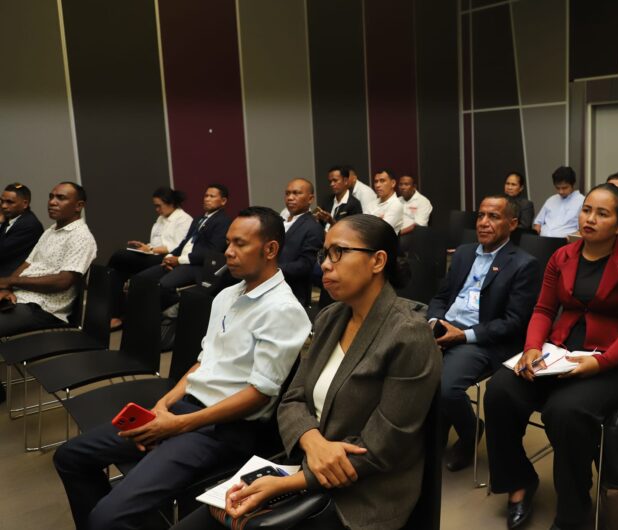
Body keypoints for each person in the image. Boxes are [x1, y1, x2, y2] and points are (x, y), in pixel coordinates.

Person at [170, 214, 441, 530]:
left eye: (338, 252)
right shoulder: (330, 317)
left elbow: (382, 447)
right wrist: (313, 441)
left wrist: (288, 483)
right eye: (324, 254)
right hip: (305, 466)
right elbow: (292, 400)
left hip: (363, 495)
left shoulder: (408, 335)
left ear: (377, 261)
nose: (325, 265)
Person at [53, 207, 311, 530]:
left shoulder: (283, 310)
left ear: (270, 249)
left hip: (224, 430)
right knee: (70, 457)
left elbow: (258, 396)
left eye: (240, 244)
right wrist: (165, 404)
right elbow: (203, 362)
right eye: (228, 242)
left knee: (106, 518)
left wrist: (178, 425)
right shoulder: (228, 295)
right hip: (185, 411)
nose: (227, 252)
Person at [485, 183, 618, 530]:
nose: (589, 218)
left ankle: (573, 513)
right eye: (587, 210)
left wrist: (600, 362)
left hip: (613, 361)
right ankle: (518, 481)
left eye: (602, 213)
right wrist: (532, 347)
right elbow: (544, 308)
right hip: (559, 352)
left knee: (564, 411)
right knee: (500, 390)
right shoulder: (562, 256)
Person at [427, 195, 540, 472]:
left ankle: (469, 432)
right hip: (445, 328)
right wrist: (434, 321)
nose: (484, 223)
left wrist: (462, 336)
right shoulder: (464, 252)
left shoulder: (523, 263)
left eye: (493, 217)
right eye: (480, 216)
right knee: (406, 370)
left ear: (512, 223)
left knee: (446, 388)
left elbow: (513, 322)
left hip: (483, 339)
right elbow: (441, 296)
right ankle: (432, 434)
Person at [0, 181, 97, 338]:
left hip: (43, 310)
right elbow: (27, 264)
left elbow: (63, 282)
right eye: (51, 197)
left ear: (78, 206)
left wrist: (10, 282)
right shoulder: (49, 232)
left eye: (61, 198)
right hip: (20, 299)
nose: (52, 202)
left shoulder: (81, 237)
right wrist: (6, 288)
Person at [133, 184, 231, 310]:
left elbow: (212, 252)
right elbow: (185, 242)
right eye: (206, 195)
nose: (207, 199)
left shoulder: (223, 221)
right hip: (180, 261)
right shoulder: (199, 219)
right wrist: (169, 256)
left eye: (212, 196)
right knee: (140, 280)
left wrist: (178, 260)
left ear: (223, 201)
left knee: (163, 286)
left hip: (196, 265)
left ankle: (176, 309)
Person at [106, 187, 192, 327]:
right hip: (152, 255)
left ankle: (117, 312)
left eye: (159, 206)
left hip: (167, 258)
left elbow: (175, 247)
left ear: (171, 203)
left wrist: (150, 249)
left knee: (119, 256)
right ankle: (115, 314)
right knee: (117, 271)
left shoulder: (184, 220)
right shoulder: (161, 219)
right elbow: (156, 243)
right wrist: (144, 247)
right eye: (155, 206)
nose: (157, 209)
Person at [279, 178, 324, 308]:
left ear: (310, 199)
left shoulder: (313, 227)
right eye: (287, 193)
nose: (290, 198)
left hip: (292, 295)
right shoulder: (279, 221)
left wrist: (271, 271)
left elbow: (305, 265)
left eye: (296, 193)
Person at [0, 183, 43, 277]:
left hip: (10, 277)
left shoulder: (29, 225)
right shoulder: (8, 218)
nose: (3, 206)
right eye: (2, 201)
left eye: (9, 202)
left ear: (25, 204)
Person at [533, 166, 584, 238]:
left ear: (573, 184)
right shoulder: (551, 200)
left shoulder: (582, 201)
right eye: (557, 188)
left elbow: (582, 230)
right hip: (542, 240)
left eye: (564, 188)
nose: (561, 191)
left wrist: (571, 239)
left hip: (565, 243)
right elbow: (538, 223)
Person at [314, 167, 362, 231]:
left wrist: (332, 222)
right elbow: (321, 224)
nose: (332, 184)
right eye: (330, 181)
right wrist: (316, 219)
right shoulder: (327, 200)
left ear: (345, 181)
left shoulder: (354, 204)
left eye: (335, 180)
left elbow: (354, 231)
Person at [370, 169, 403, 233]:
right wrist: (378, 220)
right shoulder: (371, 204)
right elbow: (362, 226)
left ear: (393, 183)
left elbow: (381, 230)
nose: (377, 185)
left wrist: (371, 222)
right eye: (376, 181)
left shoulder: (396, 205)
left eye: (382, 181)